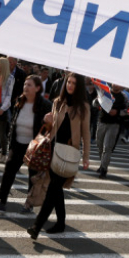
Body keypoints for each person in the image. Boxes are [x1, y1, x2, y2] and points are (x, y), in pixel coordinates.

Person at [28, 72, 91, 239]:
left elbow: (86, 133)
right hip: (53, 151)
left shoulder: (83, 107)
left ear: (79, 87)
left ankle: (37, 226)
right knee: (56, 189)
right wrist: (47, 119)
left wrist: (86, 156)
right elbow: (52, 126)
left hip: (69, 153)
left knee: (54, 189)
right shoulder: (58, 102)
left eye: (74, 84)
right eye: (68, 82)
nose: (70, 85)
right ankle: (61, 223)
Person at [0, 74, 53, 213]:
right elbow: (14, 123)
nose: (25, 87)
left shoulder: (45, 105)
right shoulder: (20, 101)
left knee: (32, 175)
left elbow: (52, 127)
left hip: (34, 146)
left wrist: (50, 121)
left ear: (37, 88)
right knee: (9, 172)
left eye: (29, 85)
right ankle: (1, 201)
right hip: (17, 144)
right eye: (24, 84)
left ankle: (29, 204)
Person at [94, 82, 127, 178]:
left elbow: (127, 111)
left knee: (107, 147)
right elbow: (95, 103)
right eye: (114, 83)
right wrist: (98, 101)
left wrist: (117, 112)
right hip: (102, 121)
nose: (116, 85)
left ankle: (104, 169)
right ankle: (102, 164)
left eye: (118, 83)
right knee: (99, 144)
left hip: (114, 124)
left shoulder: (123, 97)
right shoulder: (105, 92)